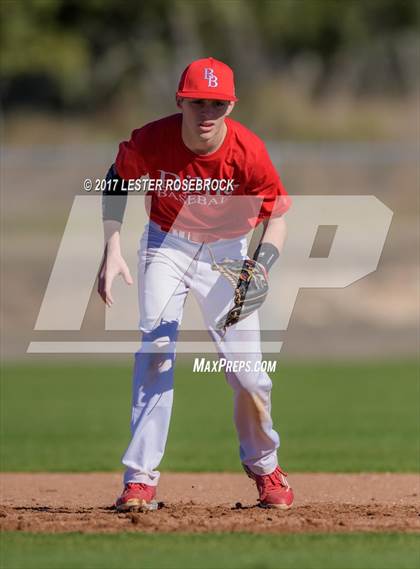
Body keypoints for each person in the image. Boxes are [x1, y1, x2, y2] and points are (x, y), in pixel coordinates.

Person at [98, 57, 294, 511]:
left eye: (219, 104)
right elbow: (114, 180)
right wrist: (111, 247)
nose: (208, 113)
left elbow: (277, 215)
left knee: (248, 376)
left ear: (230, 106)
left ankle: (265, 465)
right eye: (198, 102)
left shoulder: (247, 152)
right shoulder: (152, 140)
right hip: (167, 244)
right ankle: (140, 480)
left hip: (228, 252)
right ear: (180, 101)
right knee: (156, 353)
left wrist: (259, 267)